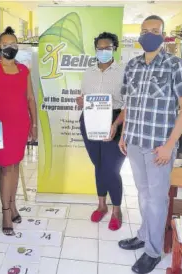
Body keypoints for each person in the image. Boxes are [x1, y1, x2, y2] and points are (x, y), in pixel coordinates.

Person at [118, 15, 182, 274]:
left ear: (163, 35)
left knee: (157, 199)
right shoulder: (133, 65)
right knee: (142, 194)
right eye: (144, 30)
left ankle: (152, 251)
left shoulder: (176, 65)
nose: (149, 34)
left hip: (159, 146)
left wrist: (170, 145)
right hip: (136, 143)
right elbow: (129, 103)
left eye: (155, 31)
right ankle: (143, 234)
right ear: (139, 34)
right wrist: (123, 134)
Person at [0, 26, 37, 236]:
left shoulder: (24, 70)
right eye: (5, 44)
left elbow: (30, 98)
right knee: (5, 168)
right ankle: (6, 211)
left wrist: (34, 125)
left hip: (20, 125)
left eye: (13, 44)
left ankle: (13, 204)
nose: (10, 47)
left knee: (15, 166)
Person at [76, 32, 126, 231]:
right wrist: (81, 101)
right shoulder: (88, 72)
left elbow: (128, 104)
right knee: (98, 164)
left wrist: (116, 124)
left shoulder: (123, 72)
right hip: (90, 120)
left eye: (108, 48)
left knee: (111, 168)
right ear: (95, 49)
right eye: (100, 48)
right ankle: (101, 205)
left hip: (114, 120)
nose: (103, 51)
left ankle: (116, 209)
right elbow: (85, 97)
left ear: (115, 48)